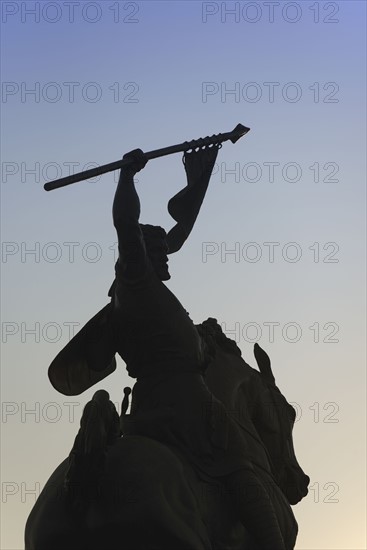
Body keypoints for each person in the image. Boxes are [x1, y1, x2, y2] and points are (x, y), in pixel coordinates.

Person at [110, 149, 288, 550]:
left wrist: (200, 181)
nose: (168, 257)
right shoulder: (135, 281)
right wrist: (127, 176)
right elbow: (125, 224)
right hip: (185, 403)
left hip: (154, 402)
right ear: (142, 255)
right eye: (159, 252)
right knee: (242, 466)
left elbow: (175, 235)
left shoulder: (145, 291)